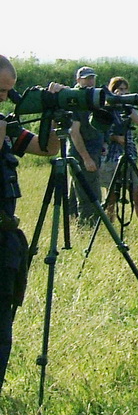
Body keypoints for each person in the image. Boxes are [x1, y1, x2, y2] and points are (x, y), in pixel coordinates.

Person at [0, 56, 63, 385]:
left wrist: (51, 116)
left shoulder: (5, 125)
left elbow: (46, 148)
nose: (4, 97)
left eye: (9, 91)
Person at [100, 76, 138, 230]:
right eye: (118, 89)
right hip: (111, 155)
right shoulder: (106, 109)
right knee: (111, 197)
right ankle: (110, 227)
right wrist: (115, 137)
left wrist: (126, 104)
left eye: (124, 89)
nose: (121, 92)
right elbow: (101, 132)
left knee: (137, 194)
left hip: (128, 154)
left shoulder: (128, 107)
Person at [65, 66, 104, 224]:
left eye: (92, 78)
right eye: (86, 78)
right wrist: (86, 158)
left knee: (76, 191)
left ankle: (73, 225)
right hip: (82, 152)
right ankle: (88, 228)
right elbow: (74, 132)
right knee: (90, 195)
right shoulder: (75, 99)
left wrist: (104, 144)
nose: (90, 81)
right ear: (78, 80)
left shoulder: (93, 97)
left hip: (93, 150)